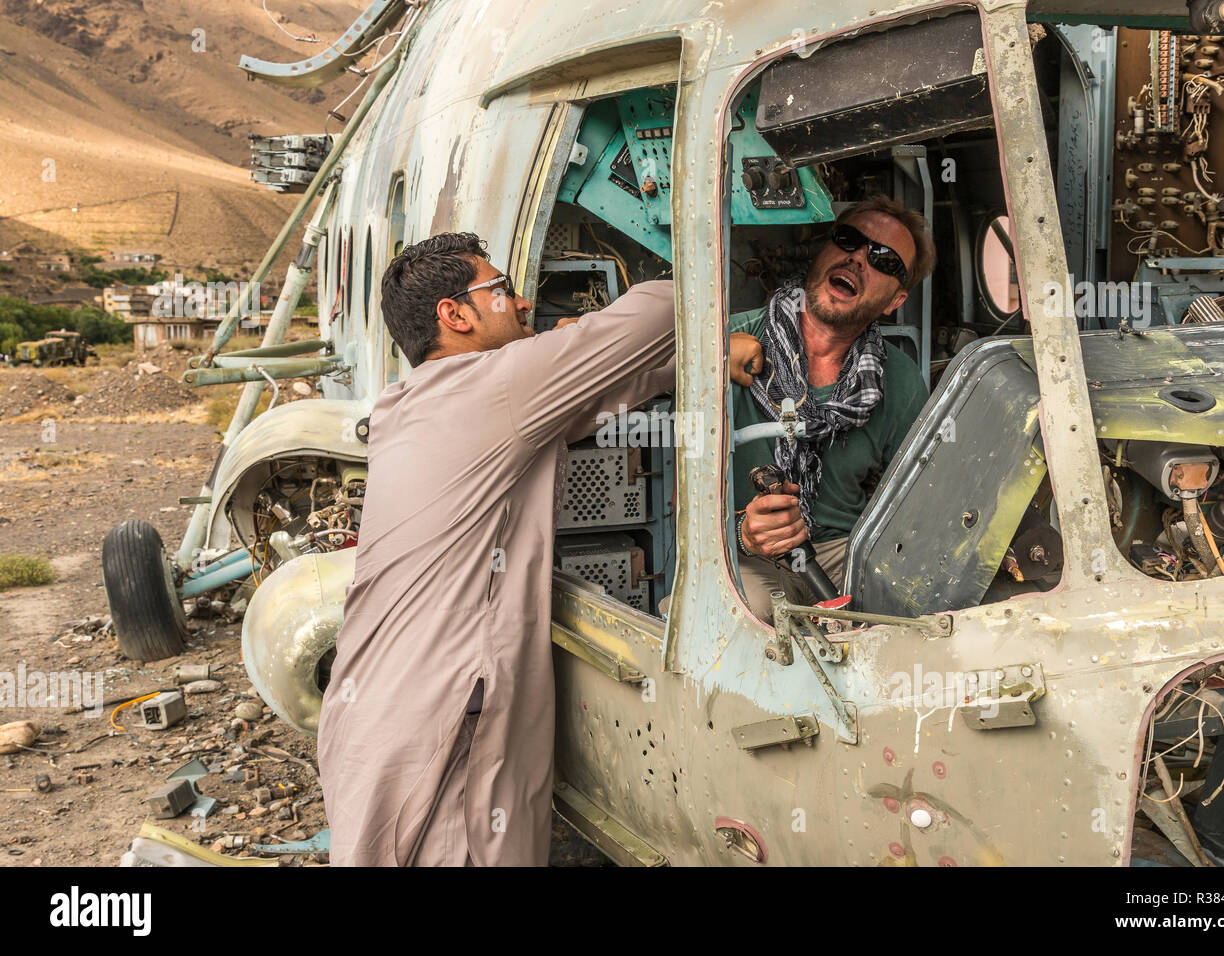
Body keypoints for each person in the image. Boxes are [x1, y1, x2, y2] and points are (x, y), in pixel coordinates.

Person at [316, 233, 676, 866]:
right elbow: (663, 310)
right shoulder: (496, 386)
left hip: (382, 704)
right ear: (454, 315)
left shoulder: (413, 401)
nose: (521, 302)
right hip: (448, 709)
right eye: (501, 290)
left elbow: (587, 404)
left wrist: (700, 362)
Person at [727, 194, 936, 622]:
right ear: (825, 249)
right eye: (849, 239)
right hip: (738, 549)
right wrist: (743, 534)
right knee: (749, 617)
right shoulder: (726, 340)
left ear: (895, 300)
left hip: (844, 549)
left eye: (884, 260)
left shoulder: (899, 381)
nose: (859, 258)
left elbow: (916, 507)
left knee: (919, 609)